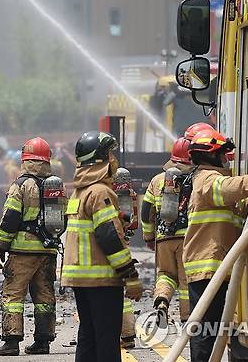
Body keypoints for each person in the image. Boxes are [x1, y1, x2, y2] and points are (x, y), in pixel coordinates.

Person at [62, 131, 143, 362]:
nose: (114, 159)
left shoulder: (80, 191)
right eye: (110, 154)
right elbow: (109, 237)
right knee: (107, 339)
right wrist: (130, 275)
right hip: (101, 279)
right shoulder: (100, 191)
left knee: (88, 337)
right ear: (100, 159)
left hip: (80, 277)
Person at [183, 129, 248, 362]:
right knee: (206, 334)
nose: (226, 159)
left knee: (214, 331)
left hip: (217, 269)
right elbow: (226, 189)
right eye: (223, 154)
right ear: (211, 156)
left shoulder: (211, 179)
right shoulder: (207, 180)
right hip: (207, 270)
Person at [0, 137, 58, 356]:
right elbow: (62, 221)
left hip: (22, 253)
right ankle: (43, 342)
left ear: (25, 159)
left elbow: (10, 218)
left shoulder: (21, 185)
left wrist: (0, 246)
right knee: (44, 295)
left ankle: (11, 342)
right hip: (48, 251)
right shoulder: (56, 186)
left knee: (13, 295)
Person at [141, 137, 197, 326]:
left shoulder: (157, 181)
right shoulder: (197, 178)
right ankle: (187, 320)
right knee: (185, 281)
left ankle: (162, 301)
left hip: (164, 238)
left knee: (165, 274)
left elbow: (145, 211)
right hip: (187, 239)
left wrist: (149, 237)